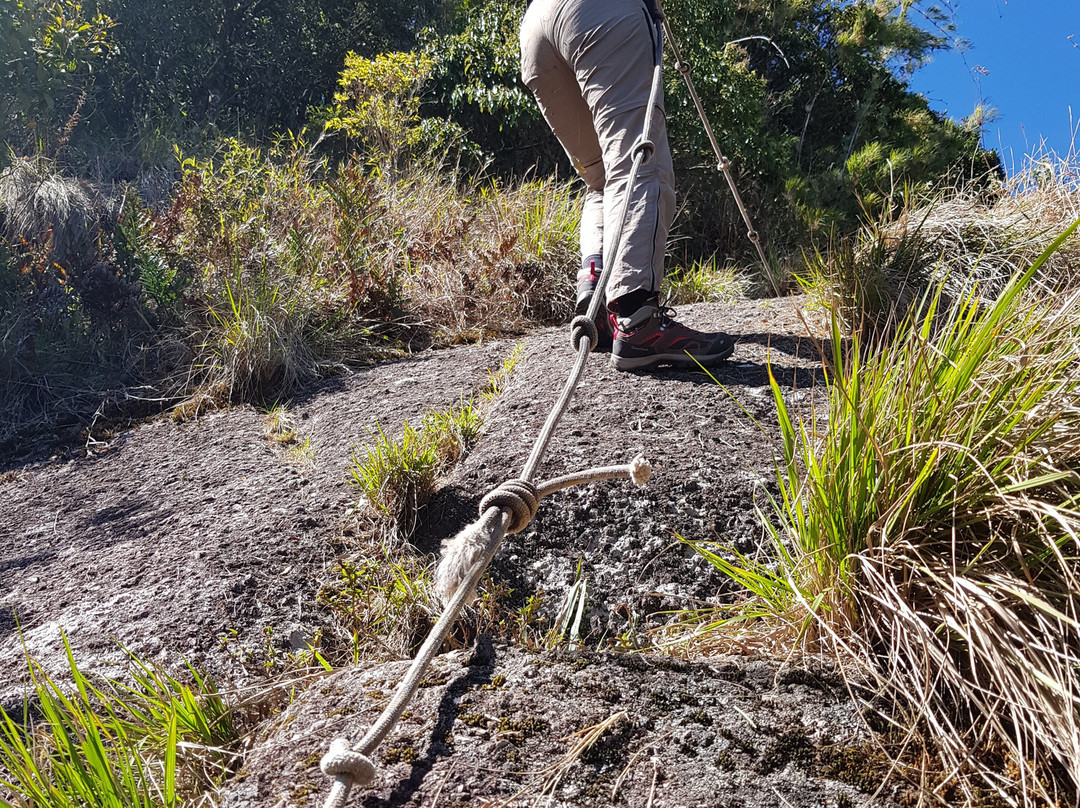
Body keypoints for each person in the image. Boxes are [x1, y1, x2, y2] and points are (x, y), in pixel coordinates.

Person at [520, 0, 735, 371]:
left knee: (602, 177)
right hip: (600, 12)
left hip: (535, 28)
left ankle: (595, 295)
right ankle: (638, 320)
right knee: (639, 157)